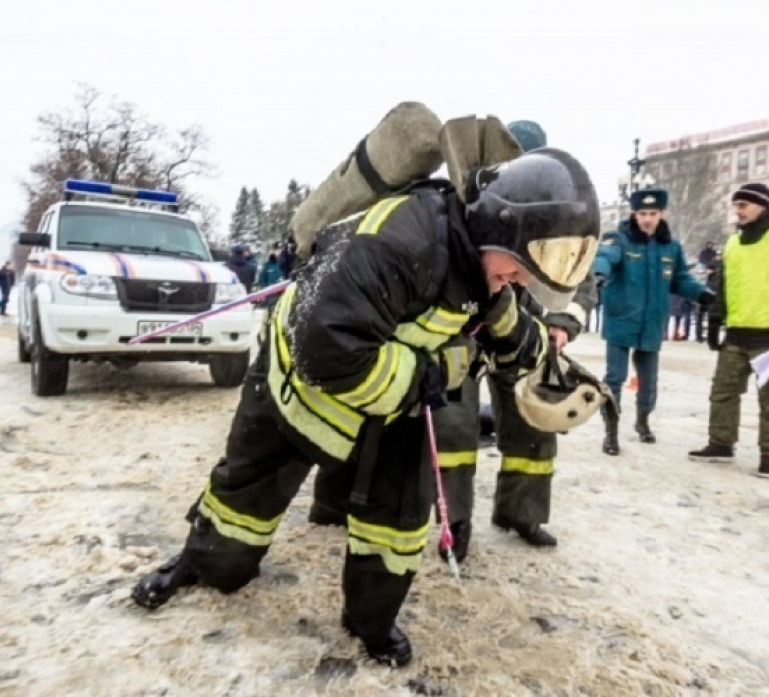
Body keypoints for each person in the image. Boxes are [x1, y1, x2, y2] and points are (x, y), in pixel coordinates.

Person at [131, 147, 601, 667]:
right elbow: (326, 351)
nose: (520, 278)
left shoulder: (487, 271)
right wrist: (436, 371)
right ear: (500, 227)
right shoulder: (401, 241)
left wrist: (543, 355)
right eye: (520, 265)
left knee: (397, 520)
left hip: (395, 401)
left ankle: (370, 622)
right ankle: (204, 562)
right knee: (244, 503)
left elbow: (516, 332)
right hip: (301, 386)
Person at [311, 120, 598, 554]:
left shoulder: (561, 220)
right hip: (462, 332)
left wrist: (562, 325)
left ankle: (523, 513)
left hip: (524, 338)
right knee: (453, 430)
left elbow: (582, 283)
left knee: (532, 434)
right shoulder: (481, 205)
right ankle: (453, 521)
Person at [593, 187, 711, 455]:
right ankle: (611, 431)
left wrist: (701, 293)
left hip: (652, 323)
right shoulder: (619, 239)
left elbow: (680, 278)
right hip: (621, 320)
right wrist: (599, 273)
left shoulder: (671, 246)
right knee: (615, 377)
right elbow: (604, 257)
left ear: (661, 214)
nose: (647, 219)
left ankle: (643, 422)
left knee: (649, 380)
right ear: (634, 213)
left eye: (653, 213)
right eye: (642, 213)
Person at [689, 183, 769, 477]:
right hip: (736, 333)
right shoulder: (733, 244)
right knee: (722, 392)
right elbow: (723, 286)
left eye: (744, 205)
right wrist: (714, 320)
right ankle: (721, 443)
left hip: (767, 337)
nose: (738, 211)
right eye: (736, 205)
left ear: (762, 205)